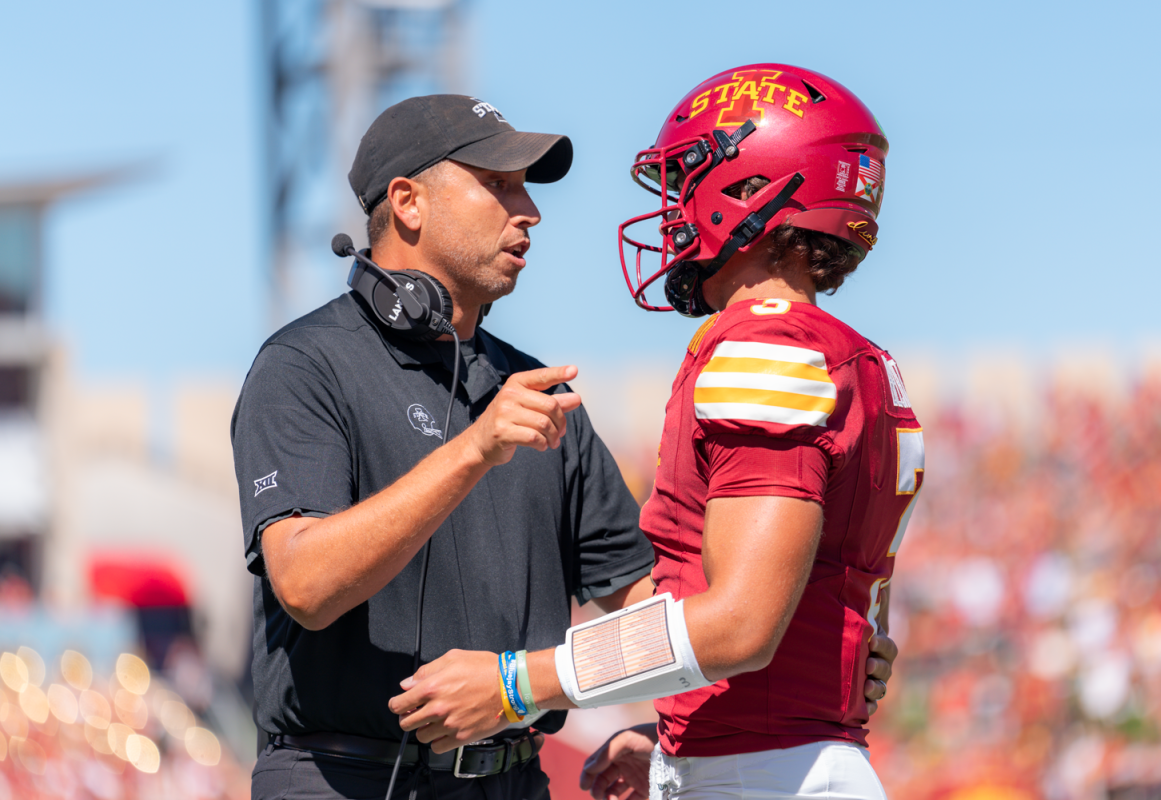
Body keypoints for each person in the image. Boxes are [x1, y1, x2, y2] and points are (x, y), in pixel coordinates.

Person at [389, 65, 917, 800]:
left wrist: (521, 683)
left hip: (766, 775)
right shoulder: (850, 356)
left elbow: (739, 625)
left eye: (689, 177)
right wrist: (675, 743)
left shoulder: (765, 351)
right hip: (774, 757)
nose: (673, 210)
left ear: (753, 188)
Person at [232, 95, 658, 800]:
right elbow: (304, 585)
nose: (530, 211)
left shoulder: (539, 394)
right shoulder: (302, 366)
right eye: (498, 183)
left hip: (516, 781)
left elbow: (652, 606)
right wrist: (473, 448)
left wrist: (674, 727)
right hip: (341, 781)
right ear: (408, 203)